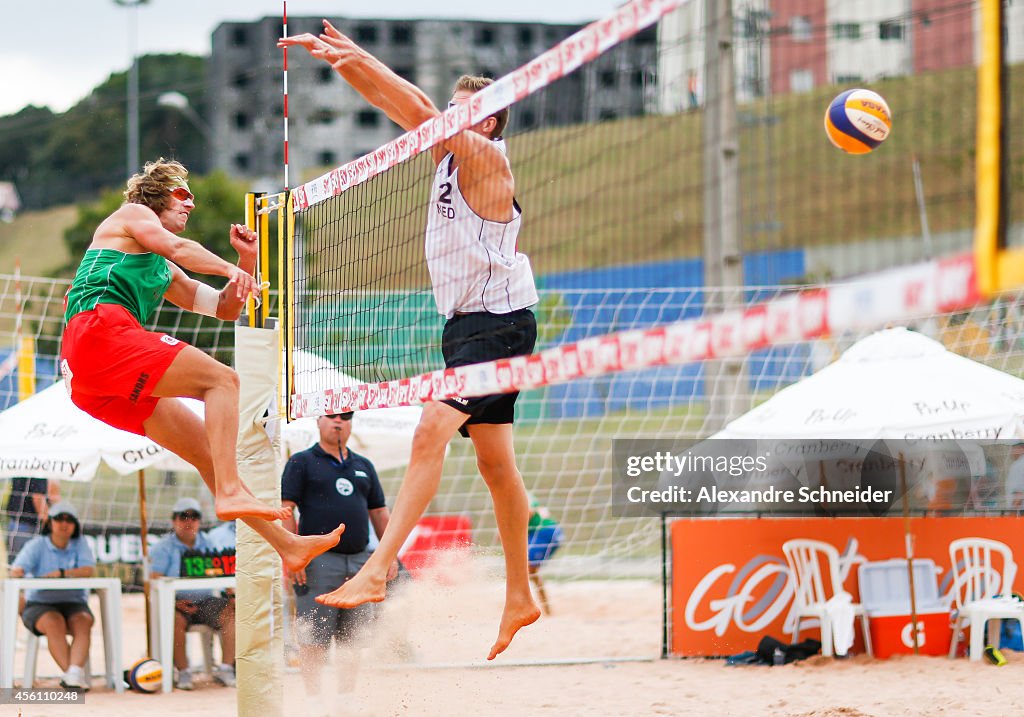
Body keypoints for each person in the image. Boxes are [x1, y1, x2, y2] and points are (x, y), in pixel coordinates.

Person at [280, 21, 542, 660]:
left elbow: (419, 110)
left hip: (498, 324)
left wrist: (362, 55)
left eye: (463, 112)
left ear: (487, 124)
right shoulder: (449, 157)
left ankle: (380, 565)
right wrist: (346, 64)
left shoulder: (487, 160)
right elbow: (406, 111)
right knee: (495, 466)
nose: (449, 118)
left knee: (430, 432)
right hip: (469, 328)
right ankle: (518, 593)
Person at [59, 159, 343, 574]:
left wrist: (245, 261)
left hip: (90, 380)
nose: (190, 203)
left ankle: (288, 547)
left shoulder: (163, 270)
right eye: (182, 194)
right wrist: (227, 266)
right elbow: (178, 248)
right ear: (155, 194)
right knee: (222, 380)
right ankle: (228, 491)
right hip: (97, 331)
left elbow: (225, 308)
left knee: (211, 452)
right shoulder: (133, 215)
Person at [281, 411, 396, 698]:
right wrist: (293, 553)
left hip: (359, 560)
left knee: (353, 638)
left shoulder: (363, 465)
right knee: (313, 636)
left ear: (351, 423)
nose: (338, 421)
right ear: (318, 421)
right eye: (331, 416)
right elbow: (287, 509)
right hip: (317, 562)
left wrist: (389, 553)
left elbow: (380, 512)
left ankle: (346, 699)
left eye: (345, 416)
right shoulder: (302, 461)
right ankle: (314, 702)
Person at [9, 501, 96, 691]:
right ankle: (73, 675)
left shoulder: (80, 543)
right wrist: (18, 571)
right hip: (39, 604)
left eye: (69, 520)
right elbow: (16, 570)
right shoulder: (36, 545)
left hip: (74, 603)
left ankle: (72, 675)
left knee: (84, 620)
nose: (64, 524)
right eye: (59, 519)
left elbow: (89, 570)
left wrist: (63, 573)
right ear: (50, 522)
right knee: (53, 621)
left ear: (75, 525)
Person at [150, 497, 235, 690]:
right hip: (177, 603)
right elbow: (156, 580)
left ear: (200, 520)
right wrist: (174, 603)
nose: (189, 521)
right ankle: (184, 671)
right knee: (175, 620)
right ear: (174, 520)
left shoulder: (211, 543)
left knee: (232, 613)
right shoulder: (163, 547)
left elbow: (223, 573)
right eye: (183, 516)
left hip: (206, 601)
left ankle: (226, 668)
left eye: (194, 516)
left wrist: (231, 597)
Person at [527, 494, 564, 614]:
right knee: (529, 570)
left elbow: (529, 512)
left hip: (545, 531)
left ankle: (542, 608)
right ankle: (546, 608)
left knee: (528, 569)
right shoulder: (523, 492)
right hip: (545, 531)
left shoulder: (518, 492)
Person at [4, 477, 49, 558]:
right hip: (28, 527)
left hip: (14, 523)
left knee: (14, 564)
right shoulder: (39, 470)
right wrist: (50, 523)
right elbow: (38, 498)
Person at [1006, 442, 1024, 510]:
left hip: (1019, 512)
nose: (1011, 452)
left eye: (1013, 448)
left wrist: (1011, 516)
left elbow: (1019, 494)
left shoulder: (1018, 465)